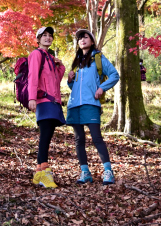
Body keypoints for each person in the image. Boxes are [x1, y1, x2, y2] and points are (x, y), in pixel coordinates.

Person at [66, 28, 120, 184]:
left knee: (96, 137)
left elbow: (114, 75)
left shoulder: (99, 58)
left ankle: (108, 172)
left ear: (91, 40)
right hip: (74, 104)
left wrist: (102, 88)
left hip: (91, 103)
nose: (82, 40)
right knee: (78, 139)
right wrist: (70, 80)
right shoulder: (76, 61)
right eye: (79, 38)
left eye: (85, 37)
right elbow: (76, 87)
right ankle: (85, 173)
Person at [28, 26, 66, 188]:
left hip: (53, 102)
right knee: (45, 136)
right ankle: (43, 171)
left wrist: (61, 66)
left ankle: (39, 172)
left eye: (50, 35)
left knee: (47, 136)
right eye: (44, 35)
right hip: (43, 101)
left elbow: (56, 80)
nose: (48, 38)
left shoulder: (50, 57)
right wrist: (31, 98)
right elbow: (32, 76)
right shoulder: (36, 54)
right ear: (38, 39)